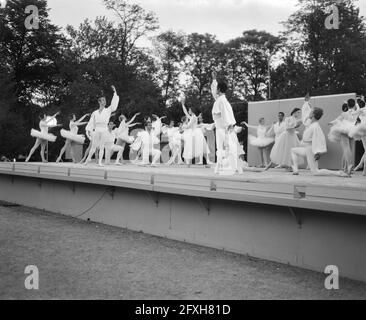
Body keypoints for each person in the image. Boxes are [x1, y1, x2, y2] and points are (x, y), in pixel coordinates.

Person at [292, 108, 350, 177]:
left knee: (315, 172)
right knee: (293, 150)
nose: (309, 113)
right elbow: (304, 120)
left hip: (310, 149)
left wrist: (318, 152)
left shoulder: (315, 126)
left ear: (313, 114)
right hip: (307, 148)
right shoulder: (311, 124)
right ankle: (295, 170)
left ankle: (338, 173)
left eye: (311, 112)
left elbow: (320, 139)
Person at [84, 85, 120, 166]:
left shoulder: (108, 110)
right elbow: (91, 122)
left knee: (102, 146)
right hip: (97, 129)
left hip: (104, 129)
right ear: (99, 102)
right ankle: (87, 160)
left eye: (105, 100)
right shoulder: (95, 112)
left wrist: (115, 92)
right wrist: (89, 130)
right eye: (103, 100)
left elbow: (113, 104)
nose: (105, 101)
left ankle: (100, 162)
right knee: (93, 147)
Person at [211, 71, 237, 174]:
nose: (215, 90)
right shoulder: (219, 99)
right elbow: (214, 92)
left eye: (217, 88)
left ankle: (226, 167)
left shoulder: (222, 101)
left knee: (225, 147)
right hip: (219, 127)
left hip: (223, 127)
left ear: (219, 90)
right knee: (220, 148)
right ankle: (219, 167)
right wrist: (214, 79)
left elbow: (226, 114)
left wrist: (229, 126)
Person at [328, 99, 361, 175]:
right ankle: (345, 168)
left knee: (346, 149)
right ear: (354, 105)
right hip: (352, 131)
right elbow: (358, 107)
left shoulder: (344, 114)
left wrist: (330, 123)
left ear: (347, 105)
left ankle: (349, 165)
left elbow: (336, 120)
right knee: (350, 150)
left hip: (344, 130)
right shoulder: (356, 113)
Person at [349, 98, 366, 175]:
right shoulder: (362, 109)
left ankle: (360, 165)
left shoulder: (361, 109)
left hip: (362, 129)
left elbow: (353, 113)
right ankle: (363, 169)